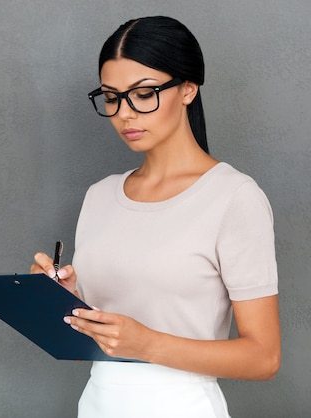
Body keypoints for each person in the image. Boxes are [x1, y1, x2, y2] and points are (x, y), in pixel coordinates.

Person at [31, 16, 280, 417]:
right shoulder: (100, 196)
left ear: (188, 89)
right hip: (99, 403)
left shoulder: (234, 197)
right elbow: (93, 345)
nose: (124, 114)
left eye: (143, 93)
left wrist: (147, 344)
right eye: (111, 97)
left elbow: (264, 357)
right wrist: (63, 299)